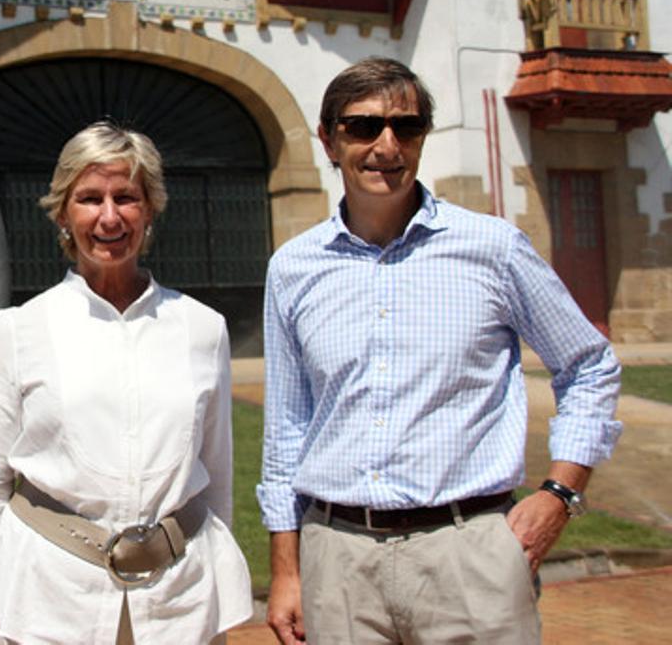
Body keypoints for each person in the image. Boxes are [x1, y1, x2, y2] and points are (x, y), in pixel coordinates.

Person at [257, 58, 622, 644]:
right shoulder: (293, 268)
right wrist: (286, 571)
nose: (386, 145)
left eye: (407, 127)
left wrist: (561, 492)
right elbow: (286, 429)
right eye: (363, 127)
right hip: (338, 557)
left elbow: (588, 364)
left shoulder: (493, 248)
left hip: (469, 552)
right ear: (328, 140)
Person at [0, 121, 252, 644]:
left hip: (179, 608)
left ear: (150, 209)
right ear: (63, 213)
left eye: (126, 198)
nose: (109, 216)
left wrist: (220, 608)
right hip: (52, 606)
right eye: (90, 198)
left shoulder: (203, 329)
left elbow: (217, 482)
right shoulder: (20, 330)